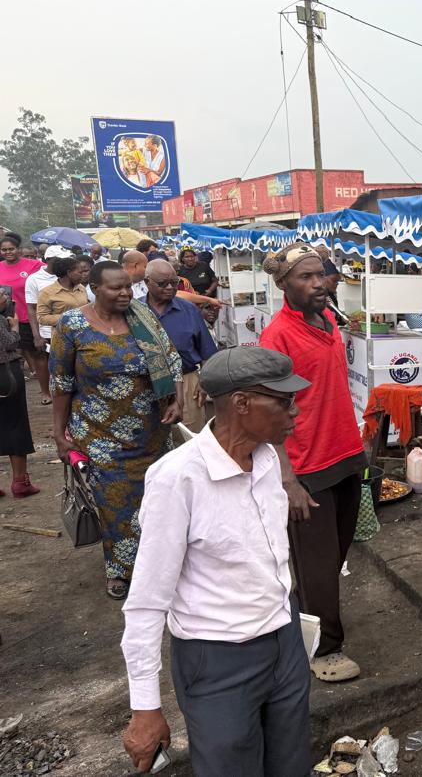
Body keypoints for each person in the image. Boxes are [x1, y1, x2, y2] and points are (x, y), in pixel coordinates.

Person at [121, 347, 311, 777]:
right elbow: (148, 601)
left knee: (292, 764)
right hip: (218, 662)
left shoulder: (265, 459)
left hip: (284, 641)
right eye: (283, 402)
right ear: (242, 404)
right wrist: (145, 706)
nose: (295, 412)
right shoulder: (178, 479)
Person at [259, 243, 368, 683]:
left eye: (321, 274)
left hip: (344, 455)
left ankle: (305, 621)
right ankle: (324, 648)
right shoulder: (277, 337)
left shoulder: (328, 322)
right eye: (305, 277)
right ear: (283, 284)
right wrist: (287, 479)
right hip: (307, 466)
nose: (319, 283)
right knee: (317, 564)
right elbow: (270, 417)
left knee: (334, 556)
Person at [50, 261, 183, 600]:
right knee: (115, 506)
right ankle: (121, 571)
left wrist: (176, 401)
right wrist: (59, 434)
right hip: (100, 437)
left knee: (157, 502)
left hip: (152, 432)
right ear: (94, 288)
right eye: (115, 288)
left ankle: (161, 566)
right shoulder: (73, 325)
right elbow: (62, 383)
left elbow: (171, 361)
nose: (125, 293)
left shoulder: (143, 318)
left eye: (127, 286)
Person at [142, 259, 218, 432]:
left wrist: (203, 381)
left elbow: (208, 352)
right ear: (147, 282)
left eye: (174, 282)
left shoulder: (189, 310)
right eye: (162, 283)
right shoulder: (135, 311)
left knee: (189, 438)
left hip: (187, 383)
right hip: (148, 386)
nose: (170, 287)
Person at [0, 287, 40, 498]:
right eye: (2, 295)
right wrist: (14, 327)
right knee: (16, 424)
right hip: (6, 374)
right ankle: (20, 481)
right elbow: (10, 343)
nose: (6, 298)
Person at [0, 233, 49, 404]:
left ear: (18, 250)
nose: (8, 252)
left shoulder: (34, 265)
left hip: (29, 318)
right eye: (4, 249)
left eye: (11, 249)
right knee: (14, 355)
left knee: (39, 354)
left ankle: (46, 391)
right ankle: (14, 389)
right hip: (6, 321)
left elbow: (52, 274)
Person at [25, 245, 71, 377]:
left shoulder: (69, 275)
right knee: (45, 362)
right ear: (49, 260)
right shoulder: (34, 279)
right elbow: (31, 308)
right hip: (46, 331)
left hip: (69, 330)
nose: (65, 262)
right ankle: (46, 393)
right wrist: (37, 336)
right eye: (61, 259)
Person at [35, 256, 90, 347]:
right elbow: (42, 318)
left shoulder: (81, 288)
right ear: (69, 273)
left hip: (84, 337)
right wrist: (70, 318)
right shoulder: (47, 292)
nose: (83, 275)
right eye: (80, 272)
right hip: (62, 340)